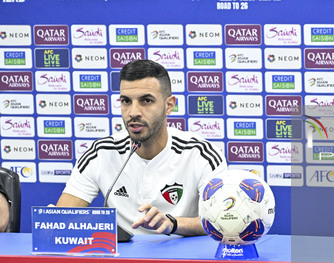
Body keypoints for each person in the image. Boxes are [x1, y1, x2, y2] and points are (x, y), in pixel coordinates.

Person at [57, 59, 226, 236]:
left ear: (169, 105)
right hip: (122, 261)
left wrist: (173, 224)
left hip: (181, 259)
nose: (133, 112)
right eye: (126, 101)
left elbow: (221, 220)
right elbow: (61, 220)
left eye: (146, 100)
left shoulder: (201, 154)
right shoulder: (101, 152)